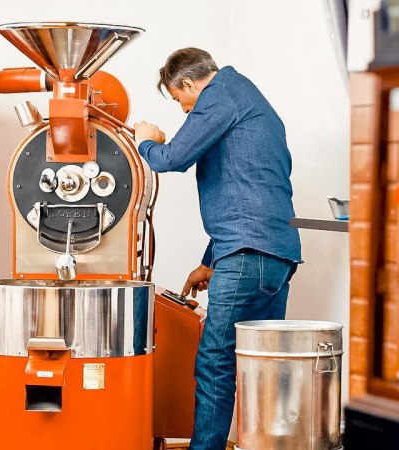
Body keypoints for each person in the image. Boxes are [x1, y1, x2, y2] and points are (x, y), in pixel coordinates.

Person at [134, 48, 302, 450]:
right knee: (259, 369)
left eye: (180, 100)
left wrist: (145, 142)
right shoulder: (248, 99)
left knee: (215, 364)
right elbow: (247, 189)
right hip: (274, 256)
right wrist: (210, 261)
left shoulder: (220, 95)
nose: (183, 110)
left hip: (248, 256)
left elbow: (171, 157)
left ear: (189, 83)